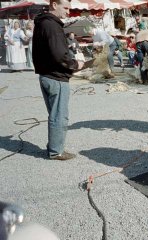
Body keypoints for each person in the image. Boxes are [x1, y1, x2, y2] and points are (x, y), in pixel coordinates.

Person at [32, 0, 84, 160]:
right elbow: (59, 55)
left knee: (55, 114)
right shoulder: (52, 25)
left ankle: (53, 147)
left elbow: (50, 50)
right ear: (54, 5)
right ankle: (56, 151)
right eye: (66, 7)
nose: (68, 11)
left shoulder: (43, 22)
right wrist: (76, 64)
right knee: (59, 115)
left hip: (46, 75)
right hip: (56, 77)